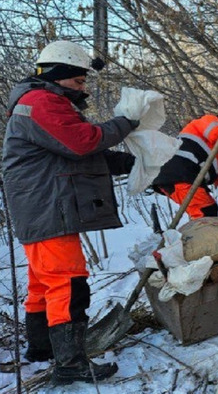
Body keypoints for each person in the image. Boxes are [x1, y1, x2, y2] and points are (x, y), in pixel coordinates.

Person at [1, 40, 139, 384]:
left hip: (39, 208)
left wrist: (132, 164)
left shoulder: (37, 103)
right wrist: (128, 122)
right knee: (68, 283)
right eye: (78, 81)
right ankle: (71, 363)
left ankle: (42, 349)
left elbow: (71, 151)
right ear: (58, 75)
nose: (83, 88)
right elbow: (82, 141)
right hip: (48, 209)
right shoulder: (41, 102)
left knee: (44, 284)